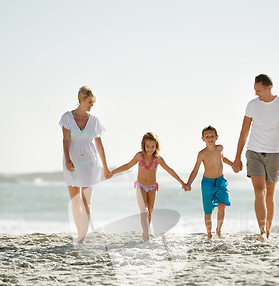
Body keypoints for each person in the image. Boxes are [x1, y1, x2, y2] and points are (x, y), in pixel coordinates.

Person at [232, 74, 279, 242]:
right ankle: (262, 231)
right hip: (254, 152)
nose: (256, 94)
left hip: (274, 153)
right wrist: (237, 157)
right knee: (259, 191)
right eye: (255, 90)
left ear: (269, 88)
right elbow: (244, 132)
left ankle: (268, 231)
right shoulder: (252, 105)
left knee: (269, 195)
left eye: (259, 90)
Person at [111, 132, 189, 241]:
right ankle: (146, 235)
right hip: (141, 186)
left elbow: (170, 170)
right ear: (143, 145)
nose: (150, 149)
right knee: (144, 210)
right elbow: (128, 165)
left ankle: (145, 232)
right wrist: (112, 172)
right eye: (148, 146)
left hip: (152, 187)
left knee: (150, 213)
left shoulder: (158, 159)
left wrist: (182, 183)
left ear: (156, 146)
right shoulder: (139, 156)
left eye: (152, 146)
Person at [59, 86, 112, 243]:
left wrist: (106, 167)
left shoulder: (95, 121)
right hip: (72, 164)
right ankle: (80, 233)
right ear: (80, 100)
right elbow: (66, 140)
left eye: (93, 102)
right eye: (89, 102)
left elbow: (99, 146)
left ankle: (82, 238)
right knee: (75, 202)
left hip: (90, 164)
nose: (92, 105)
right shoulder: (67, 118)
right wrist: (68, 159)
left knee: (86, 203)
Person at [186, 125, 234, 239]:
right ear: (203, 139)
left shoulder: (220, 148)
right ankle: (209, 234)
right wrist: (188, 183)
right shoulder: (202, 154)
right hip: (207, 184)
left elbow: (223, 158)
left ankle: (218, 230)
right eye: (207, 136)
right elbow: (195, 170)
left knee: (222, 206)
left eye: (212, 136)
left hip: (220, 182)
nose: (210, 138)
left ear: (216, 137)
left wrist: (233, 164)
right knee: (208, 211)